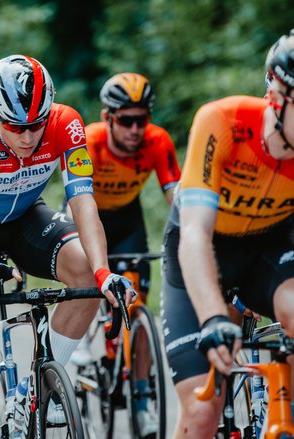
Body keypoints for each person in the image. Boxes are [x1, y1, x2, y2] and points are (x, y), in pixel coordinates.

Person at [0, 54, 135, 438]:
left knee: (85, 270)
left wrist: (103, 272)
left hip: (28, 219)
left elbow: (82, 202)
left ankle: (43, 386)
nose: (28, 138)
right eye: (16, 127)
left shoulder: (67, 124)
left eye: (36, 126)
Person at [161, 30, 294, 438]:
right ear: (278, 95)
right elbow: (196, 236)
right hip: (202, 254)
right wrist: (215, 316)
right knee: (204, 411)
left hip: (268, 252)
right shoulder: (223, 121)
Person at [67, 73, 181, 436]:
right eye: (126, 120)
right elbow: (75, 202)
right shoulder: (90, 139)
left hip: (128, 221)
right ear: (108, 117)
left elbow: (177, 199)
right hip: (87, 214)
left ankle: (143, 397)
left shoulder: (157, 141)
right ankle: (85, 340)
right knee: (85, 276)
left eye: (142, 120)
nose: (135, 129)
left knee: (137, 306)